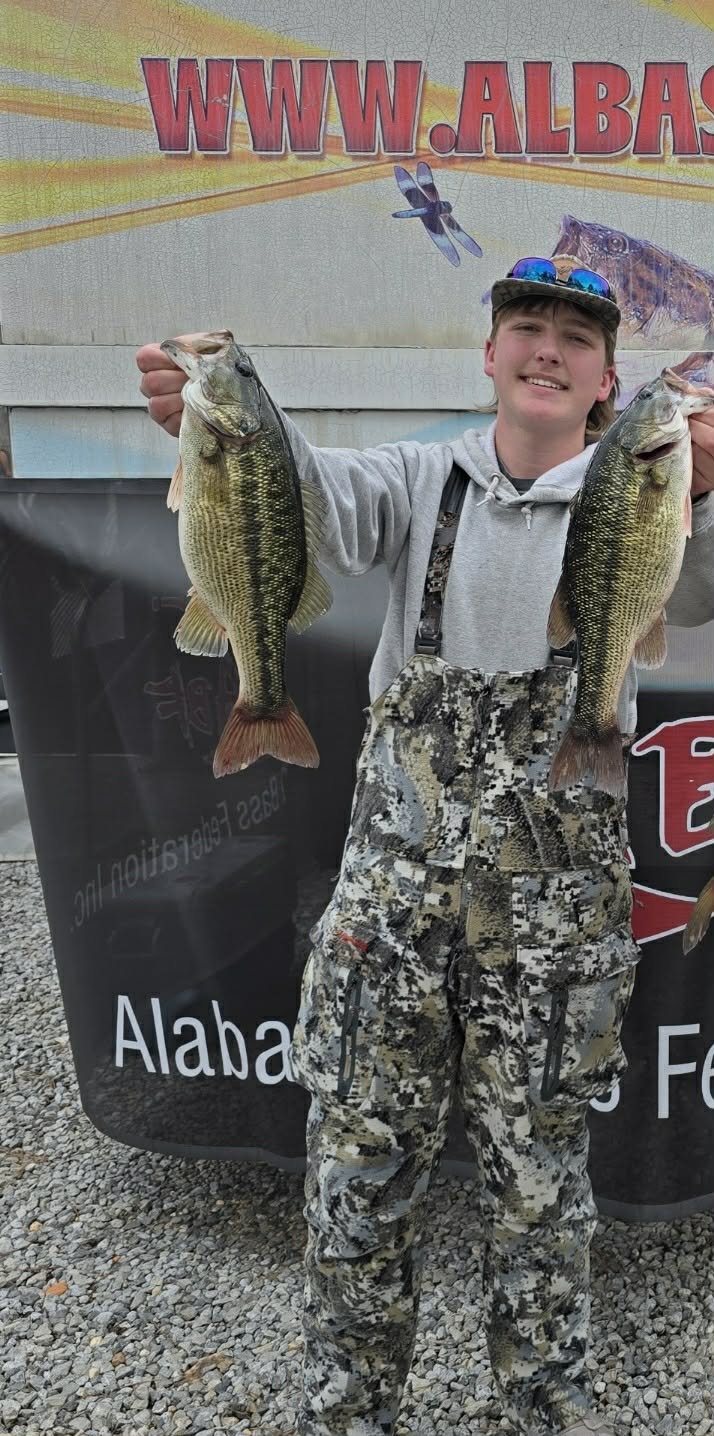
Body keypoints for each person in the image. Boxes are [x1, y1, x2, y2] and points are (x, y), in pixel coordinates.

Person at [136, 258, 714, 1436]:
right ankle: (351, 1412)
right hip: (388, 919)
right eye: (526, 327)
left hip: (556, 940)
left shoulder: (651, 494)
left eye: (575, 338)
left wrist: (705, 491)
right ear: (489, 354)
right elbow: (292, 489)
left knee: (542, 1192)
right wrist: (207, 409)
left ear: (609, 382)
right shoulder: (417, 478)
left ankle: (548, 1409)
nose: (548, 348)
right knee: (357, 1180)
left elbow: (690, 594)